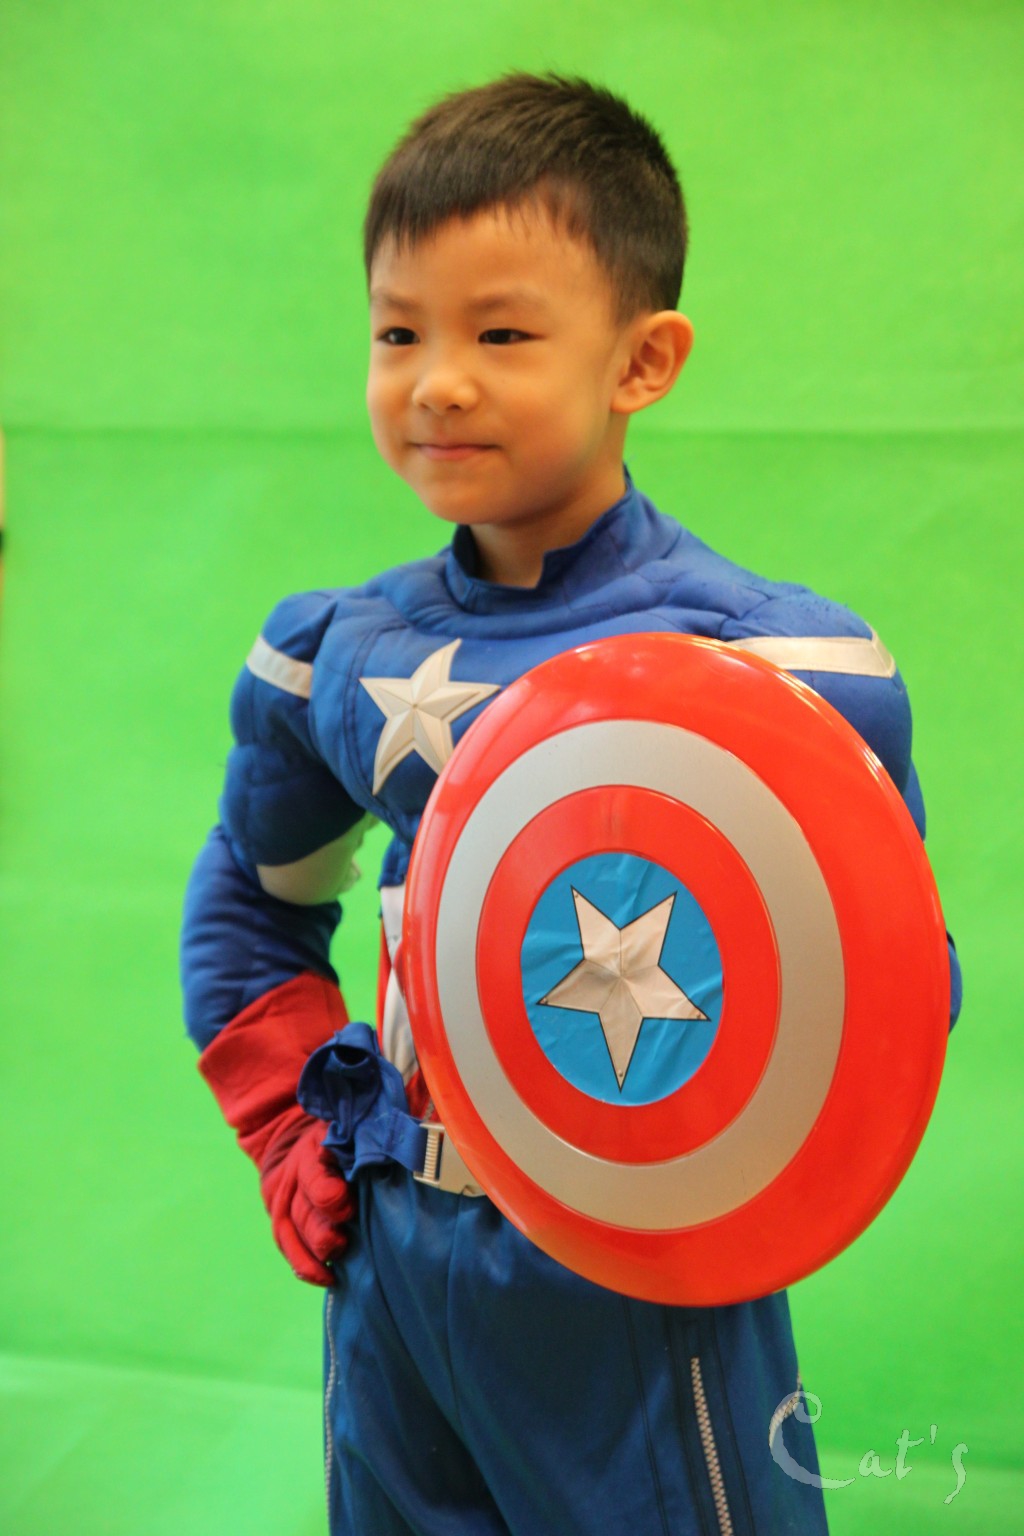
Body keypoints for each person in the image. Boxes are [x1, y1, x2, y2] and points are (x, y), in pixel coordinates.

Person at [180, 70, 962, 1536]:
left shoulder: (770, 669)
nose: (437, 381)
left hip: (635, 1286)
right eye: (398, 331)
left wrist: (729, 1161)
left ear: (642, 359)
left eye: (501, 333)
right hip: (394, 1268)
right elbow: (253, 892)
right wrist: (291, 1118)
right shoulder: (340, 656)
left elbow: (888, 992)